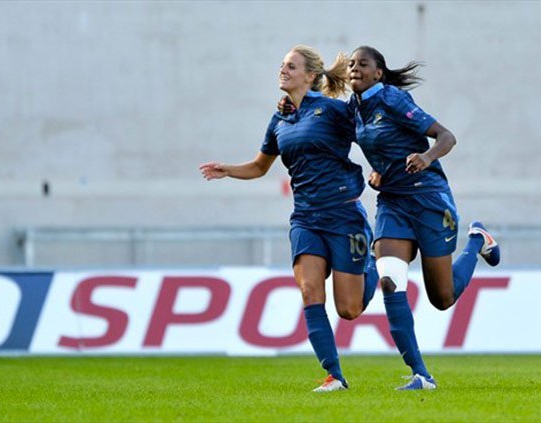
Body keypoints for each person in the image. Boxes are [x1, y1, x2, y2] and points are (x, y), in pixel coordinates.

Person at [199, 45, 378, 393]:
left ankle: (376, 265)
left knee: (349, 310)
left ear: (310, 76)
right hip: (306, 219)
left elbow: (372, 136)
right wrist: (227, 170)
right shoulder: (279, 119)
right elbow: (259, 166)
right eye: (282, 64)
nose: (283, 70)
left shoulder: (333, 110)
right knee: (310, 291)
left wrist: (383, 170)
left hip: (343, 215)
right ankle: (335, 376)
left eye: (291, 66)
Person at [346, 46, 501, 390]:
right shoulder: (352, 110)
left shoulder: (393, 100)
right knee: (390, 280)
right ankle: (421, 374)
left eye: (363, 64)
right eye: (352, 64)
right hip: (393, 203)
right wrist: (378, 171)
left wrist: (427, 157)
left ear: (378, 73)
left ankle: (477, 240)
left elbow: (447, 136)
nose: (355, 68)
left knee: (442, 298)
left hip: (429, 198)